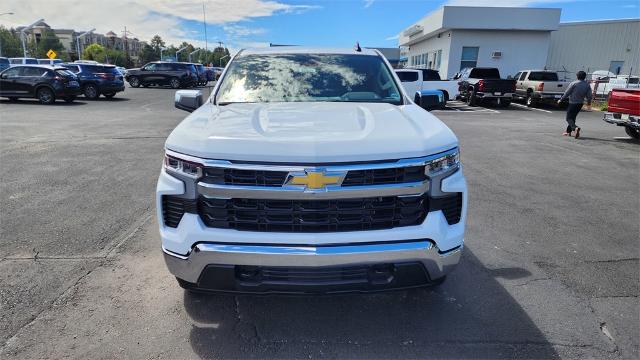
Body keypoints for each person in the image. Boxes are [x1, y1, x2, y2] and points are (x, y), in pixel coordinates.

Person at [558, 71, 592, 138]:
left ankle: (575, 128)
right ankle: (568, 132)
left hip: (572, 103)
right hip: (580, 104)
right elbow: (589, 95)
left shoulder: (574, 83)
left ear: (577, 76)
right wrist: (589, 103)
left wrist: (561, 99)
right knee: (573, 117)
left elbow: (567, 93)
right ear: (584, 77)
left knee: (568, 118)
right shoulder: (587, 84)